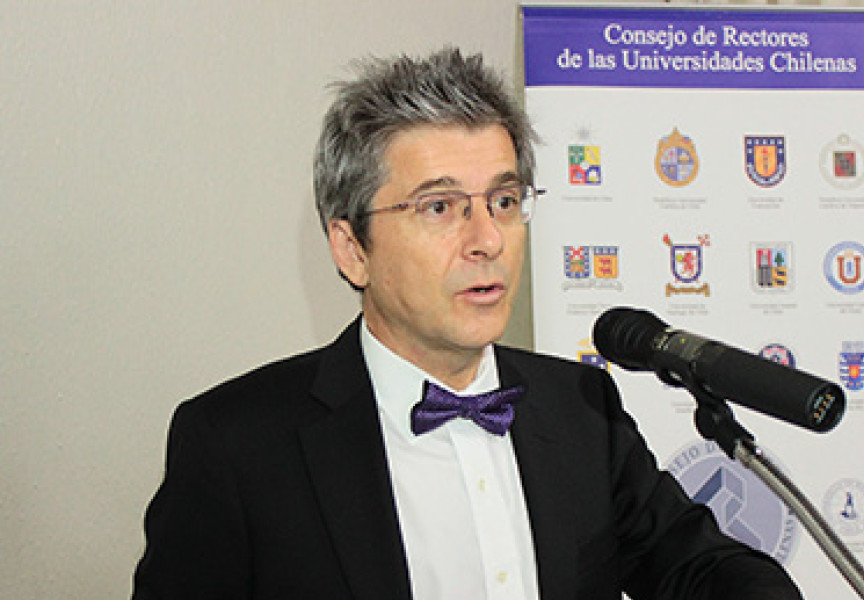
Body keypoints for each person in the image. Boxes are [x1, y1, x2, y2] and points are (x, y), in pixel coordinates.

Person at [132, 48, 803, 600]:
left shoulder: (580, 407)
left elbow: (695, 566)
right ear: (352, 248)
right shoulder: (236, 444)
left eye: (504, 201)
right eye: (440, 207)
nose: (487, 239)